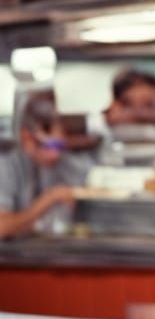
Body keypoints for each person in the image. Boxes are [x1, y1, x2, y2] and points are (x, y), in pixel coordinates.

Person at [0, 93, 92, 240]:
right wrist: (49, 199)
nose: (55, 155)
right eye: (49, 146)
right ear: (27, 138)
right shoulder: (7, 167)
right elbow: (2, 228)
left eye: (60, 146)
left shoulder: (66, 164)